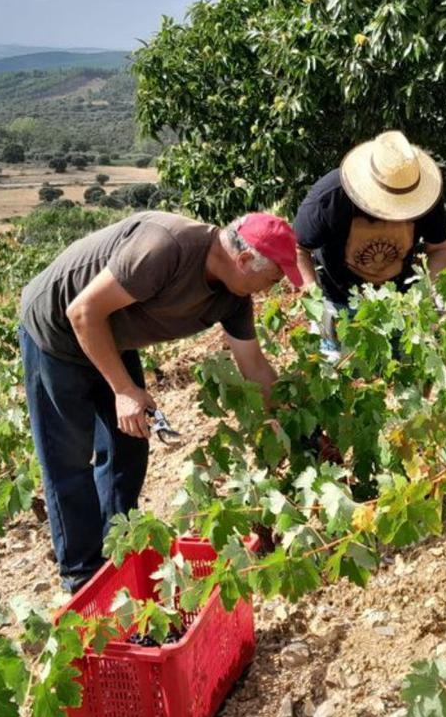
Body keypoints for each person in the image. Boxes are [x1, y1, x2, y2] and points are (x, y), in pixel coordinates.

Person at [18, 210, 302, 591]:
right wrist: (123, 390)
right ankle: (83, 577)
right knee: (67, 459)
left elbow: (254, 366)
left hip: (110, 335)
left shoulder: (234, 297)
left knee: (128, 448)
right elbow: (82, 312)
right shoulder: (164, 248)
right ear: (246, 260)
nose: (270, 289)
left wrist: (295, 427)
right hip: (56, 329)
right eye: (272, 279)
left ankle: (117, 550)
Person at [294, 130, 446, 357]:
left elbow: (439, 248)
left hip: (401, 302)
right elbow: (297, 249)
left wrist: (435, 295)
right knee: (333, 378)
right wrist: (315, 299)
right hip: (337, 301)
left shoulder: (425, 198)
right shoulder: (329, 197)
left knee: (414, 372)